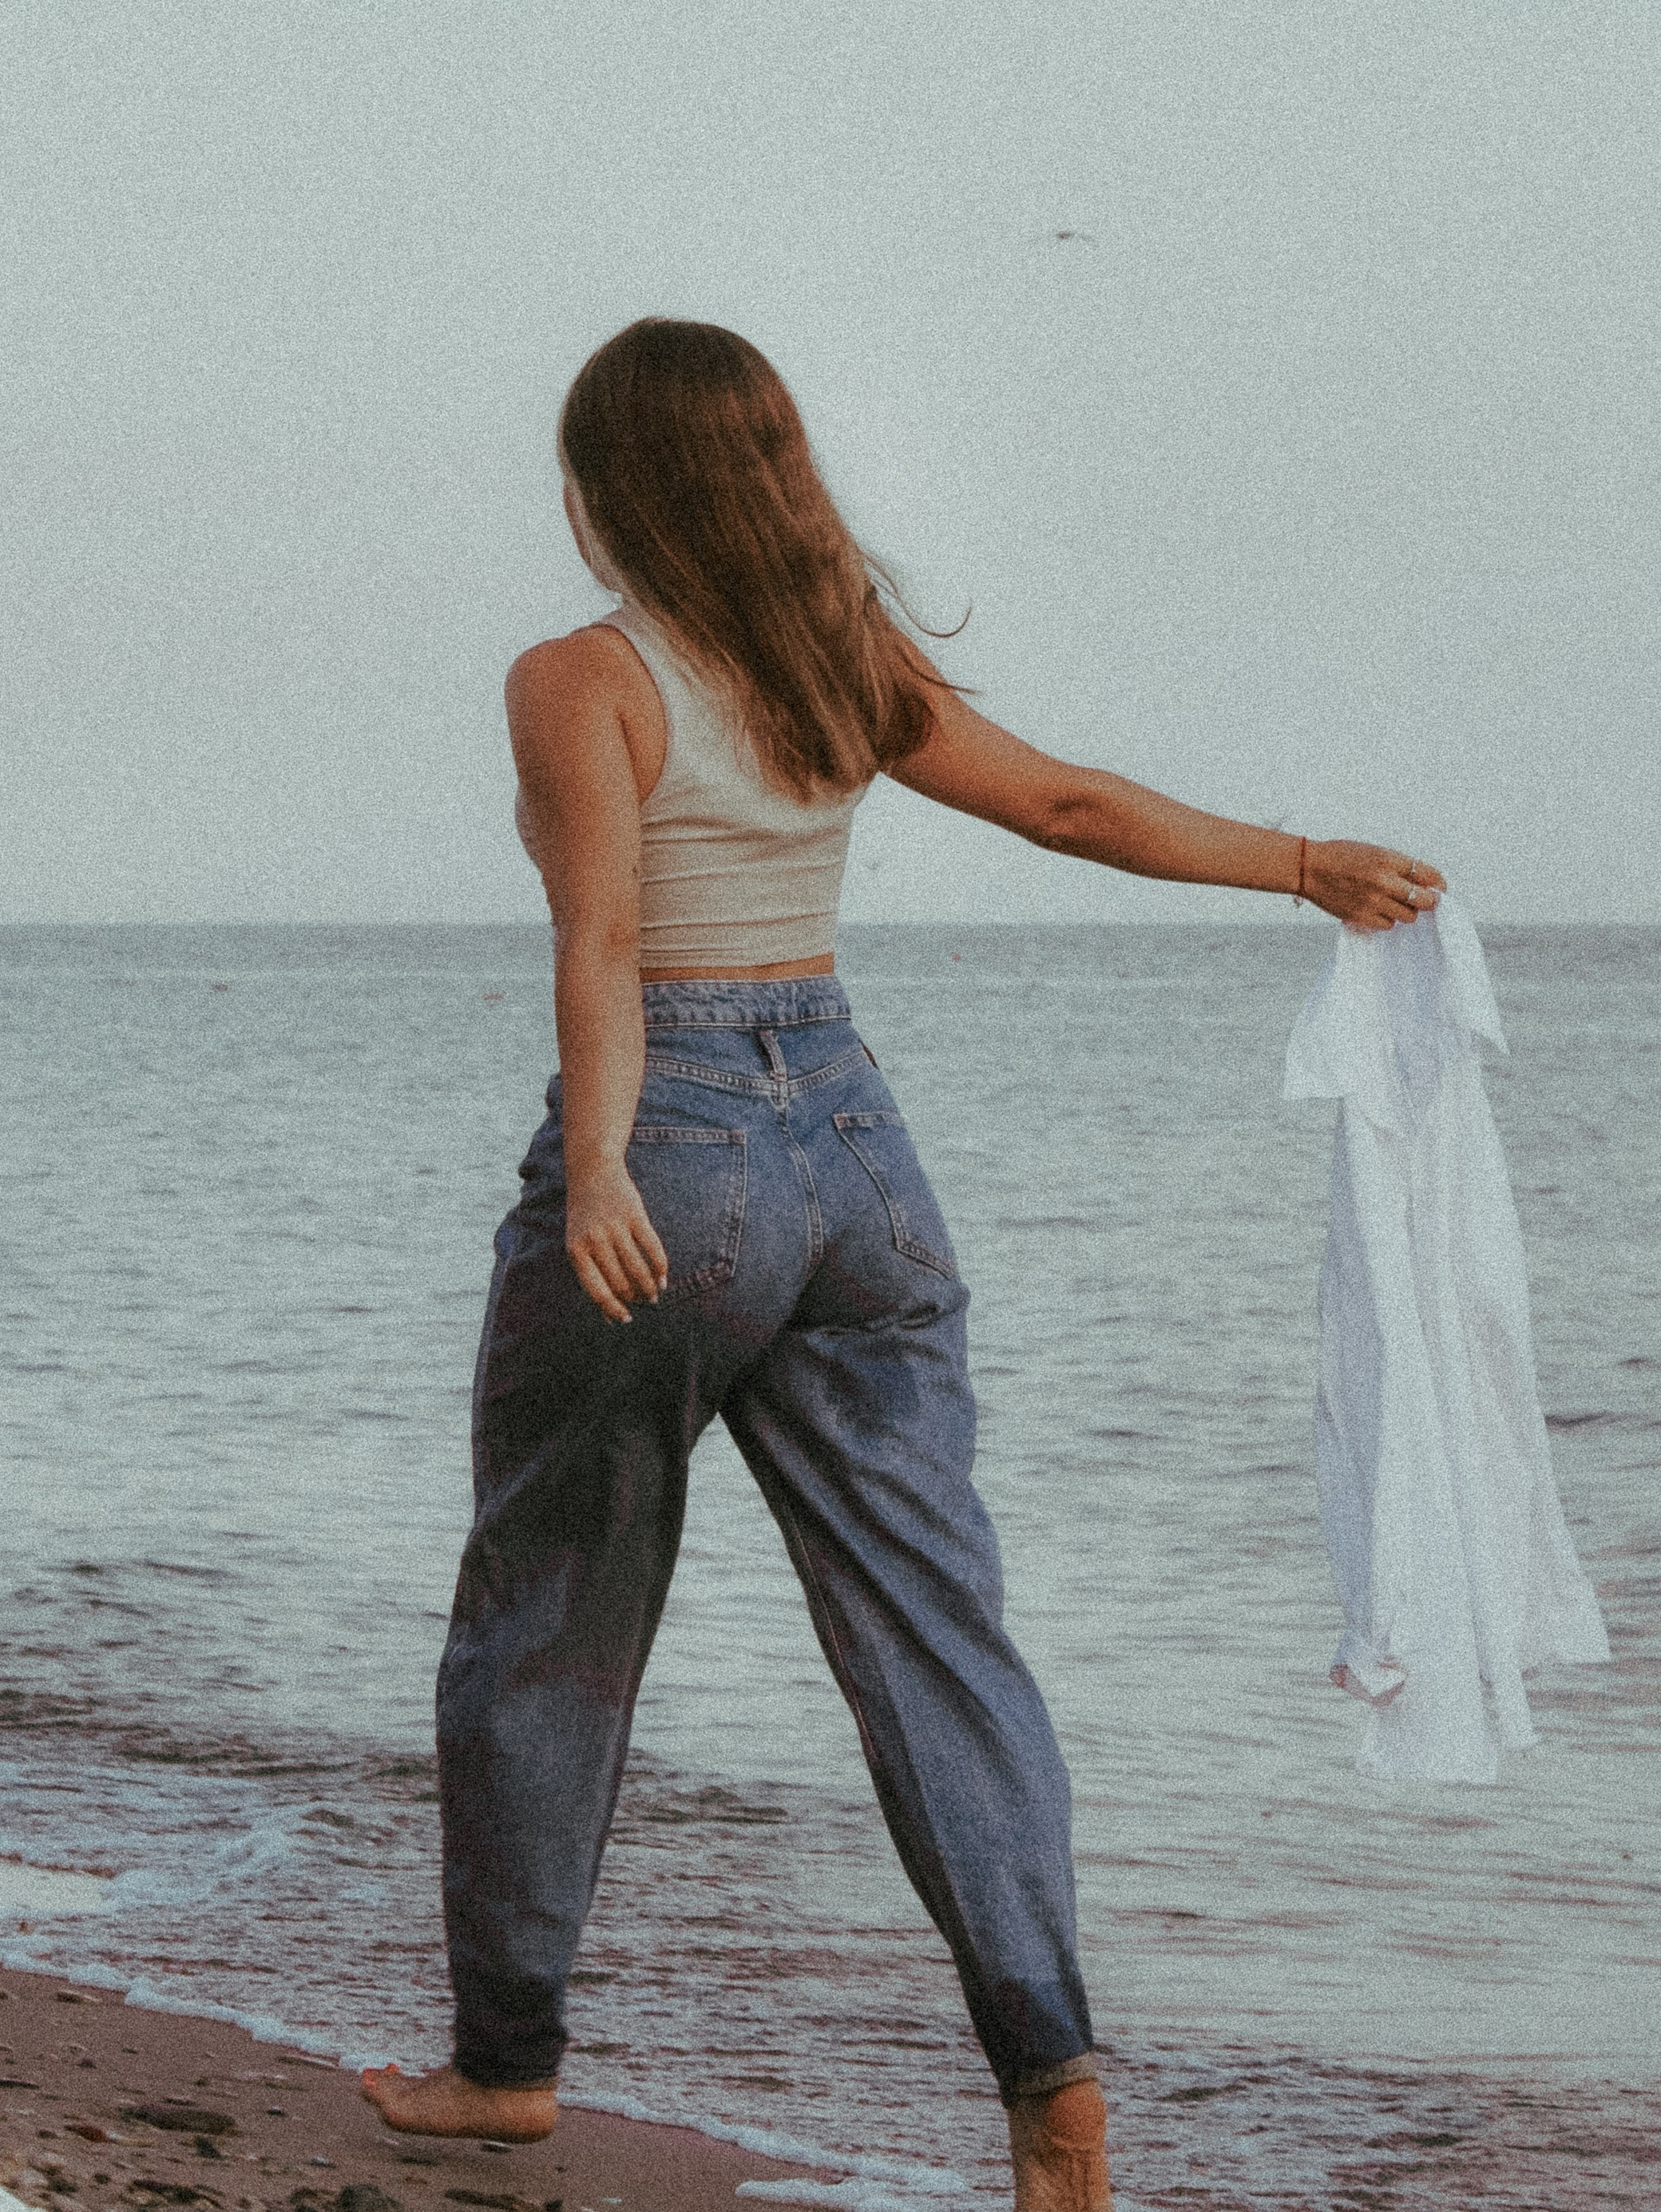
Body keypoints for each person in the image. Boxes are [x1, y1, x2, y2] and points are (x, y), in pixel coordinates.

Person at [363, 319, 1444, 2212]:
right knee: (936, 1629)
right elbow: (1069, 807)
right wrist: (1304, 864)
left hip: (674, 1140)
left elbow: (605, 943)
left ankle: (505, 2068)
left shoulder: (578, 677)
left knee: (550, 1603)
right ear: (770, 477)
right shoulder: (829, 657)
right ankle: (1050, 2078)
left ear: (598, 487)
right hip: (854, 1144)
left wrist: (605, 1163)